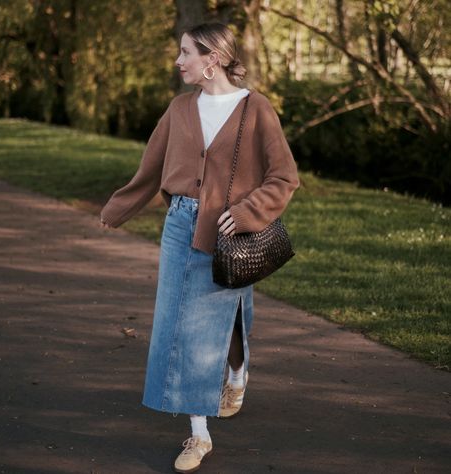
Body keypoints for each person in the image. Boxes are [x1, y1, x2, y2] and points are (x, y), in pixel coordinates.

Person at [100, 22, 300, 473]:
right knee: (180, 327)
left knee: (223, 322)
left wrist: (248, 212)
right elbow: (150, 169)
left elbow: (284, 176)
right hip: (180, 226)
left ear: (212, 58)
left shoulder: (257, 109)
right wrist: (118, 209)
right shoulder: (179, 108)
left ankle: (235, 374)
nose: (178, 61)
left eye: (186, 52)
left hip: (232, 231)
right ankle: (199, 433)